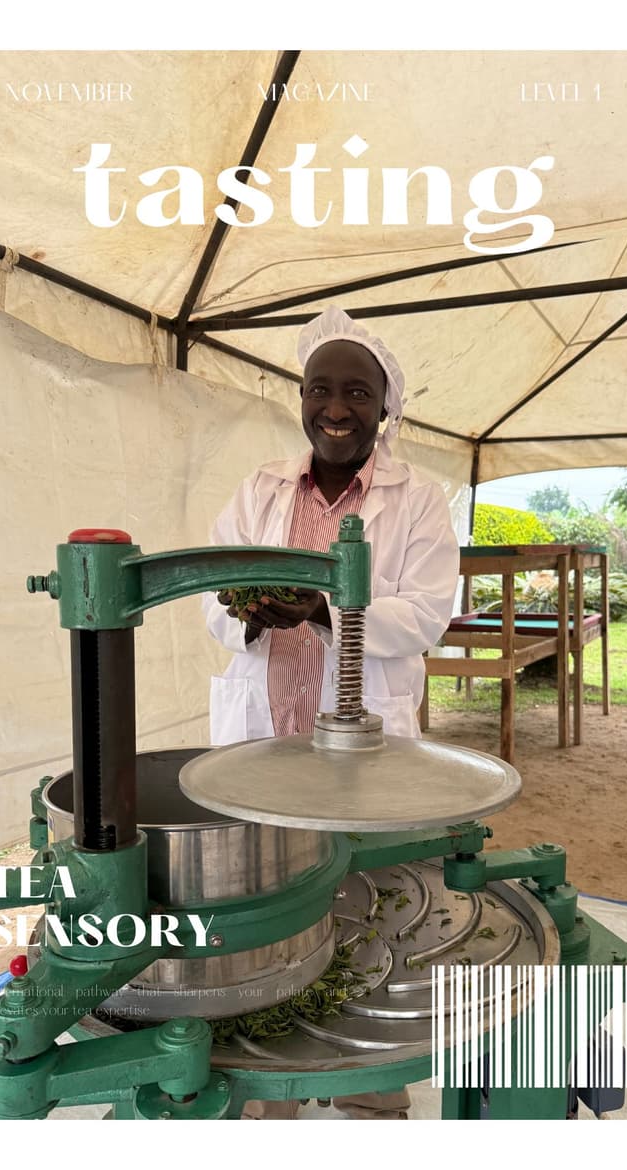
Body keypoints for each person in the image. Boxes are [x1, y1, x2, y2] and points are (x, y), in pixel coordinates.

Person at [202, 305, 460, 1119]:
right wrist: (251, 612)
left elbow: (424, 614)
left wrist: (322, 610)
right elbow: (209, 595)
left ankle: (371, 1089)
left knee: (372, 904)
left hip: (363, 737)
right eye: (320, 388)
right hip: (266, 730)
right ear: (301, 398)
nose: (336, 407)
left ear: (386, 408)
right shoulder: (261, 488)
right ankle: (268, 1089)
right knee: (265, 911)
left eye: (357, 390)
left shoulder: (419, 500)